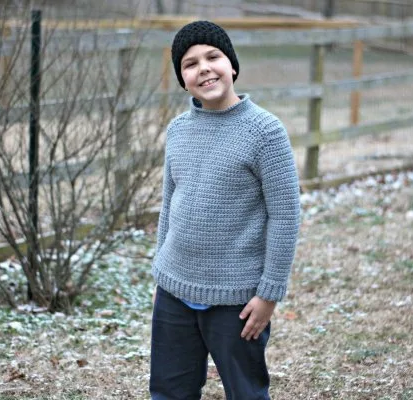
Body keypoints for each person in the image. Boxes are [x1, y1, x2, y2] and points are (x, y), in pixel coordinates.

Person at [150, 20, 301, 399]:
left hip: (236, 299)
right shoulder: (178, 131)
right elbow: (170, 204)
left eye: (213, 56)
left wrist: (269, 294)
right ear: (182, 79)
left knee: (245, 391)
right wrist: (161, 273)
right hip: (174, 291)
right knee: (169, 390)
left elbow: (285, 216)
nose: (203, 67)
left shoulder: (264, 132)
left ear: (232, 65)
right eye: (189, 63)